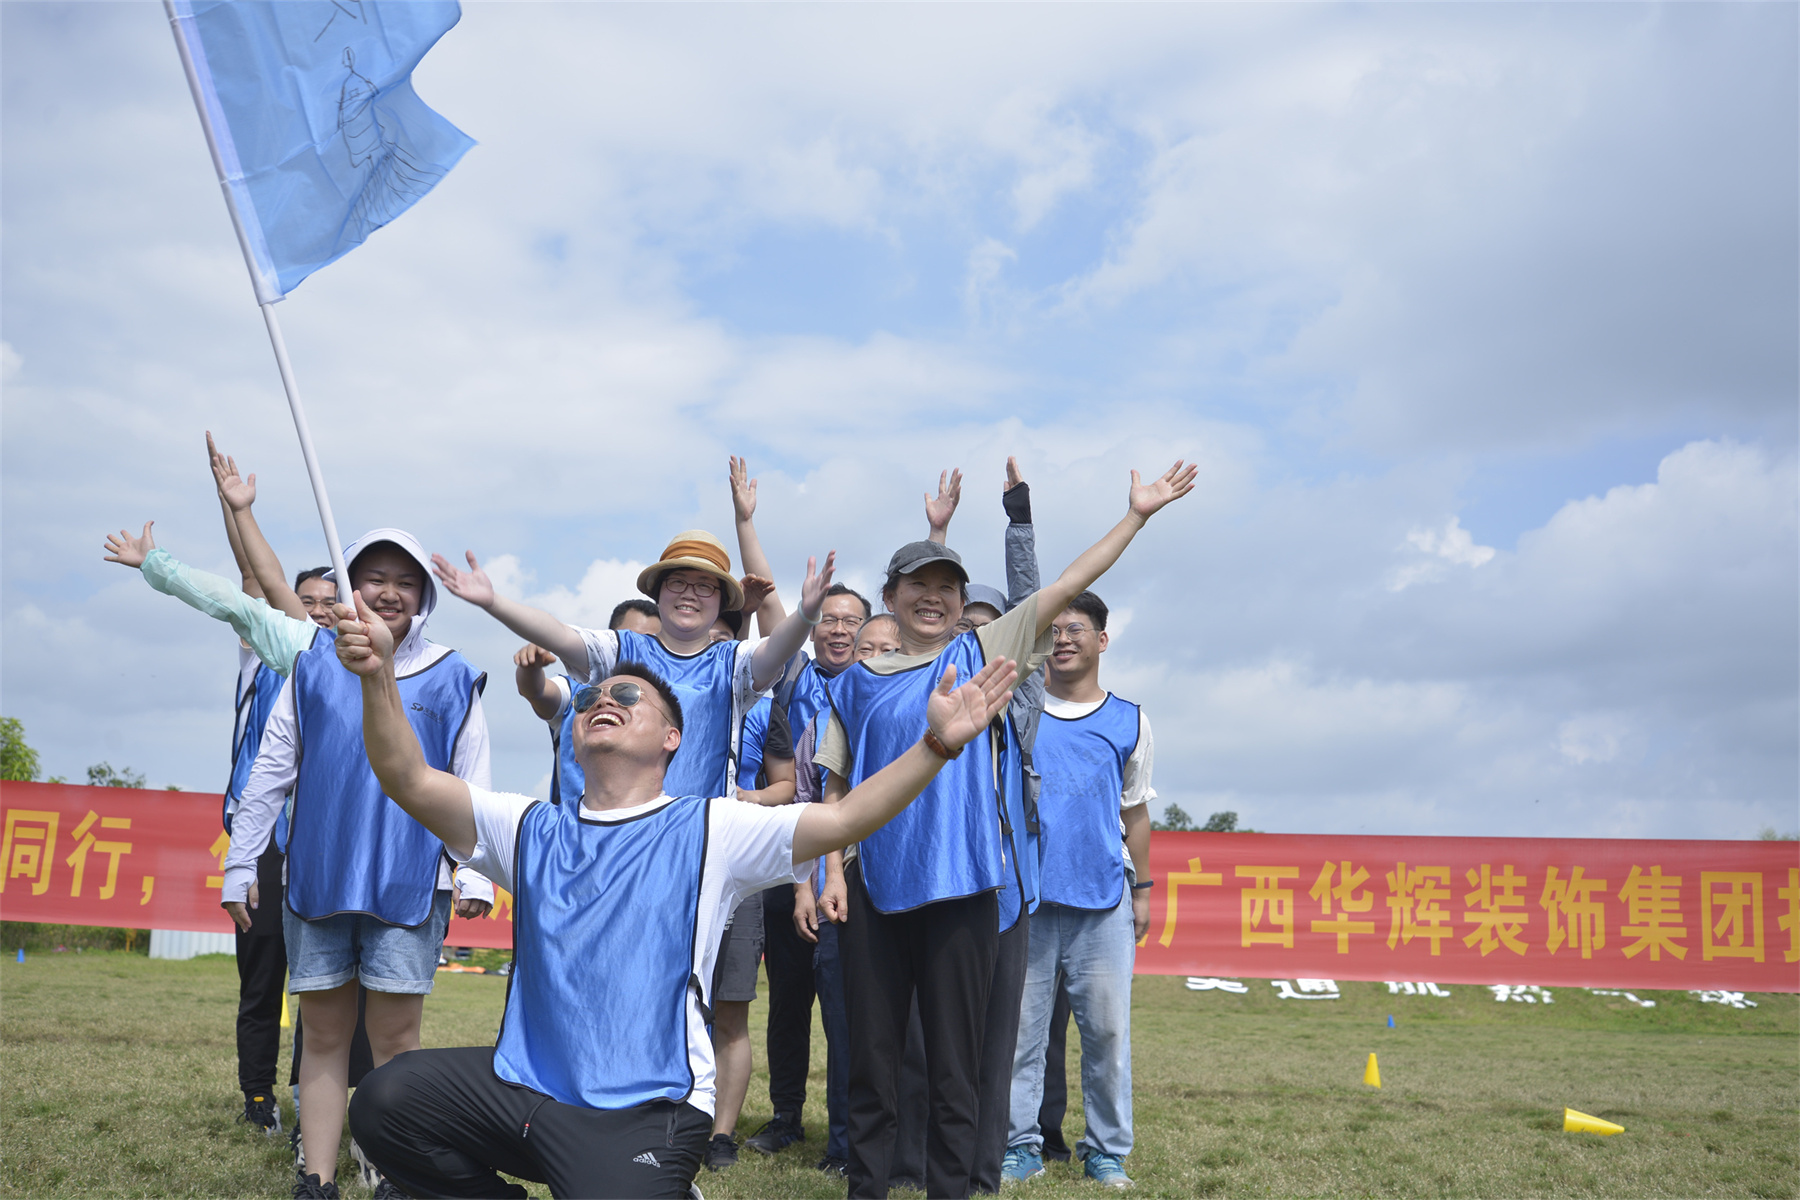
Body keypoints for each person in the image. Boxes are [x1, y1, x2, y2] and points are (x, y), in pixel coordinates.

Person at [332, 586, 1020, 1200]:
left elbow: (844, 820)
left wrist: (935, 746)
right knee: (386, 1103)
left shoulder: (712, 827)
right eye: (590, 698)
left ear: (671, 737)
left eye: (628, 697)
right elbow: (407, 778)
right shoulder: (528, 827)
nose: (604, 700)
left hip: (646, 1109)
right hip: (528, 1092)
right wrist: (378, 675)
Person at [815, 460, 1195, 1199]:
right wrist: (833, 872)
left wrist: (1136, 516)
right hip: (876, 892)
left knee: (957, 1069)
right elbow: (836, 788)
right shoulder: (855, 682)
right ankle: (867, 1189)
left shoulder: (982, 653)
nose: (933, 597)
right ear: (889, 600)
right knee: (873, 1064)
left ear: (963, 604)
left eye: (947, 587)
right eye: (917, 586)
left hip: (964, 891)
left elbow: (1064, 585)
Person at [218, 522, 495, 1200]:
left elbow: (472, 780)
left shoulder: (453, 673)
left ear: (424, 595)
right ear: (348, 586)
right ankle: (315, 1179)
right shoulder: (312, 662)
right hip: (318, 879)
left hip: (410, 882)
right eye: (375, 579)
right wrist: (241, 862)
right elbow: (271, 769)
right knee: (323, 1034)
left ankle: (395, 1175)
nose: (390, 593)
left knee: (396, 1041)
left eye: (405, 582)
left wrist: (475, 869)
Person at [100, 434, 341, 1140]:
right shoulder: (263, 648)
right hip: (263, 838)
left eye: (329, 602)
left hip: (323, 838)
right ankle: (257, 1094)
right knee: (262, 976)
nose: (318, 610)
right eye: (307, 600)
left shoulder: (341, 667)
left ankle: (310, 1097)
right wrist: (233, 506)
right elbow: (249, 582)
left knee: (323, 981)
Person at [430, 528, 829, 804]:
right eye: (677, 582)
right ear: (659, 592)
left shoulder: (734, 662)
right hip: (621, 832)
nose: (689, 594)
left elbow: (778, 648)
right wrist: (494, 602)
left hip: (703, 837)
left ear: (721, 600)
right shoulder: (622, 649)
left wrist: (806, 614)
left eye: (704, 586)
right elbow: (558, 634)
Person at [725, 457, 874, 1164]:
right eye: (829, 620)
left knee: (846, 1007)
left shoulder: (885, 684)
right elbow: (766, 603)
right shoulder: (794, 676)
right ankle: (786, 1116)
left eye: (853, 622)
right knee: (788, 1000)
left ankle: (847, 1128)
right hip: (790, 862)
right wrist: (746, 521)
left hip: (854, 868)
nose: (839, 631)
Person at [1004, 591, 1155, 1188]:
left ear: (1102, 640)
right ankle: (1018, 1146)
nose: (1063, 639)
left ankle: (1107, 1151)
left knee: (1108, 1034)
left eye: (1077, 629)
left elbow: (1135, 812)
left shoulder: (1131, 719)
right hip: (1027, 900)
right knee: (1020, 1035)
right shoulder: (1019, 710)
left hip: (1104, 902)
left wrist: (1143, 891)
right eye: (1055, 630)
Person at [705, 691, 796, 1171]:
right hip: (675, 860)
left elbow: (786, 785)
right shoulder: (670, 693)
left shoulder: (764, 708)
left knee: (731, 1011)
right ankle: (666, 1121)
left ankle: (720, 1136)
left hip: (740, 871)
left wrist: (747, 798)